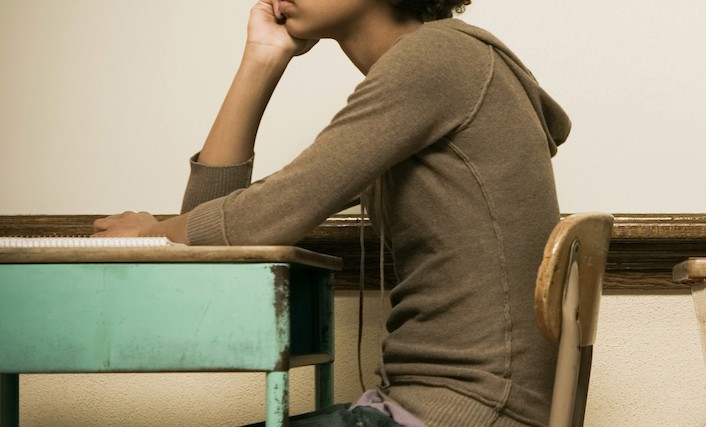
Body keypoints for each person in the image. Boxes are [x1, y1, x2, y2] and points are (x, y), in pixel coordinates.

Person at [93, 0, 570, 425]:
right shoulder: (432, 72)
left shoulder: (438, 59)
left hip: (464, 410)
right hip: (442, 406)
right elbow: (217, 231)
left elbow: (254, 221)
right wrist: (261, 59)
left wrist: (153, 233)